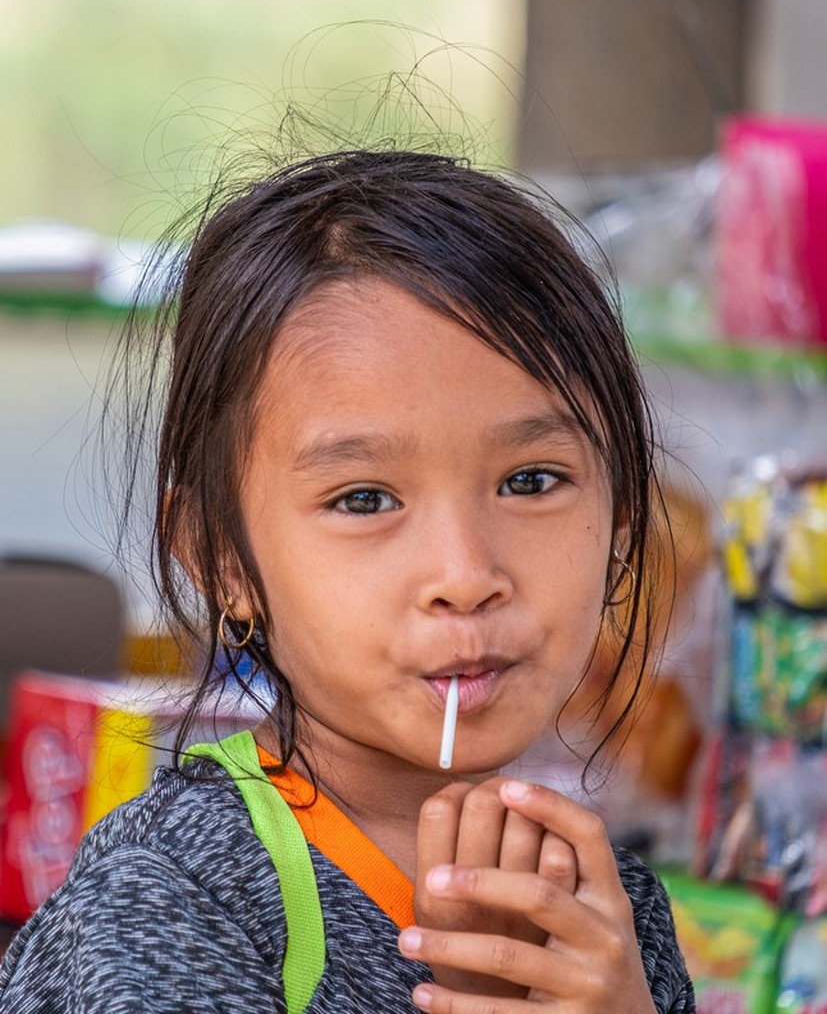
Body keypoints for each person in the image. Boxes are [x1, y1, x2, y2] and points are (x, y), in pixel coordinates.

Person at [0, 148, 694, 1012]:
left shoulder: (607, 915)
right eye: (364, 498)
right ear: (222, 558)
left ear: (622, 516)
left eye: (530, 481)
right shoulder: (171, 904)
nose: (464, 575)